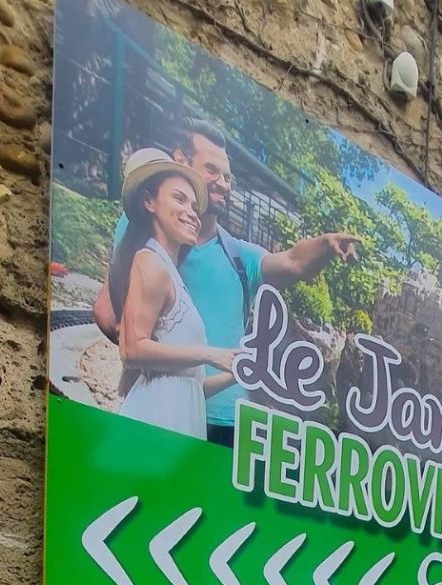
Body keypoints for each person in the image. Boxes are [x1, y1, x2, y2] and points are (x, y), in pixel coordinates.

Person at [94, 119, 360, 447]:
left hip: (226, 417)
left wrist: (326, 243)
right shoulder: (144, 238)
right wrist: (153, 361)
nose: (223, 184)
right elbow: (108, 314)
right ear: (181, 161)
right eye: (212, 171)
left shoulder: (238, 255)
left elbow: (292, 261)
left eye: (228, 177)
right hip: (164, 414)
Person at [112, 148, 236, 438]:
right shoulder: (149, 261)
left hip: (178, 423)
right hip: (154, 423)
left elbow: (191, 386)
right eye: (180, 199)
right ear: (148, 202)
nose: (191, 213)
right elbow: (131, 350)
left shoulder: (170, 271)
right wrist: (208, 354)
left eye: (194, 206)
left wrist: (235, 374)